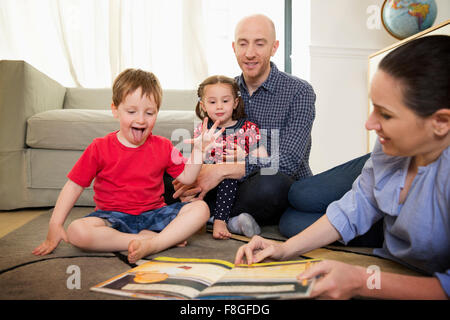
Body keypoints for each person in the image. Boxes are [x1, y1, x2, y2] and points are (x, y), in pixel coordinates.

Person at [234, 35, 450, 299]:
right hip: (383, 198)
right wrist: (283, 249)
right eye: (373, 108)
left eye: (386, 114)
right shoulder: (387, 150)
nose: (369, 124)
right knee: (294, 214)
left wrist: (363, 281)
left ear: (440, 122)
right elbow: (354, 207)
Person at [33, 68, 224, 264]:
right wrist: (56, 223)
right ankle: (149, 239)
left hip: (154, 215)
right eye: (132, 112)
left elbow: (187, 178)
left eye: (149, 113)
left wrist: (199, 151)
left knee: (200, 209)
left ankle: (155, 243)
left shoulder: (164, 146)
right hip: (111, 219)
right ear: (115, 109)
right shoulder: (99, 147)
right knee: (76, 232)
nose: (141, 120)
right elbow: (74, 186)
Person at [173, 14, 316, 228]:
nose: (249, 53)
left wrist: (220, 171)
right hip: (222, 184)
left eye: (259, 44)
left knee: (271, 184)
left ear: (274, 47)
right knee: (169, 176)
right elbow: (205, 142)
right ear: (234, 47)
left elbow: (288, 162)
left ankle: (204, 213)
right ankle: (216, 214)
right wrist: (196, 172)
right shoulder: (224, 92)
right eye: (243, 44)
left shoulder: (299, 91)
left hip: (268, 184)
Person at [191, 75, 268, 239]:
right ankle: (231, 222)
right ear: (203, 106)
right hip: (209, 186)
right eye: (212, 102)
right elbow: (195, 162)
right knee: (187, 179)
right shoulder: (202, 130)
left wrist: (244, 156)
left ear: (235, 103)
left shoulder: (248, 129)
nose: (219, 106)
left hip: (239, 187)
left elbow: (264, 161)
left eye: (225, 101)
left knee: (228, 176)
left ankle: (219, 220)